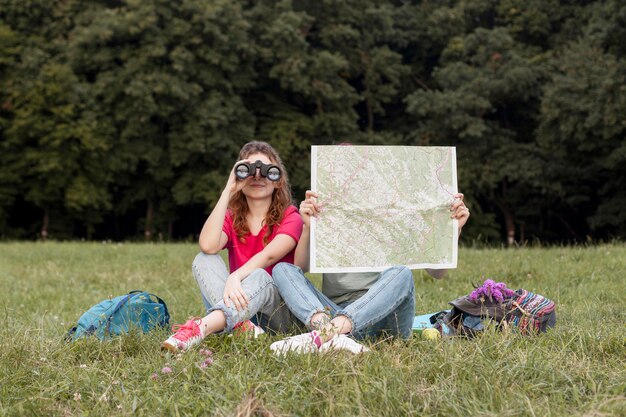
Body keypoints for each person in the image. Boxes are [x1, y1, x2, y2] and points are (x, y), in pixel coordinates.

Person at [269, 190, 470, 354]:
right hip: (333, 311)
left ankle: (329, 333)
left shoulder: (396, 216)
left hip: (386, 320)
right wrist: (308, 227)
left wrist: (452, 230)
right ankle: (328, 332)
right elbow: (301, 266)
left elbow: (438, 274)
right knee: (283, 269)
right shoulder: (326, 217)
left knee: (402, 273)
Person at [162, 141, 303, 352]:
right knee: (204, 259)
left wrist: (235, 276)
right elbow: (208, 245)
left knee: (261, 277)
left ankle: (202, 327)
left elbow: (269, 257)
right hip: (243, 310)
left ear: (278, 180)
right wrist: (228, 189)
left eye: (266, 171)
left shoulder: (291, 216)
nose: (257, 177)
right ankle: (241, 327)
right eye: (250, 171)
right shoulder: (233, 217)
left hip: (279, 317)